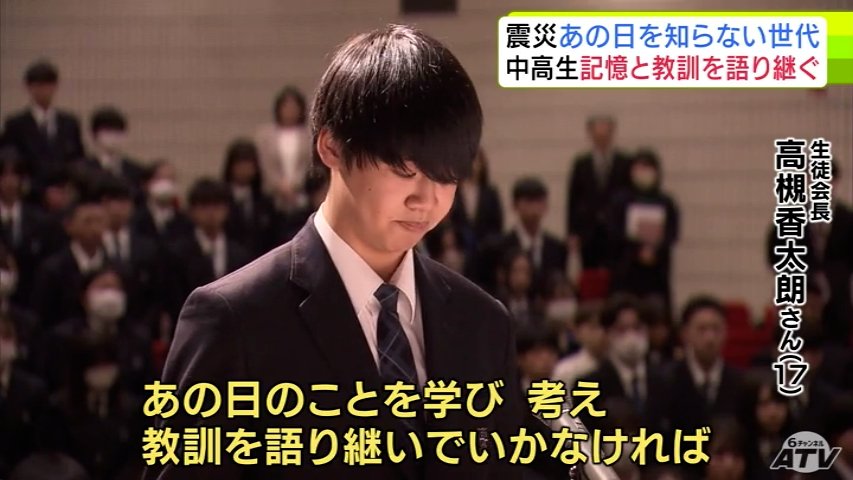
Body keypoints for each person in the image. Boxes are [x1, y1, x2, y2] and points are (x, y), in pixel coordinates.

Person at [145, 24, 566, 480]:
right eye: (405, 169)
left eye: (446, 176)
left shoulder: (482, 323)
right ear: (331, 147)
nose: (426, 199)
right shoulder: (235, 319)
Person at [0, 60, 85, 199]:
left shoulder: (69, 123)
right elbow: (10, 163)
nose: (44, 91)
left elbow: (78, 160)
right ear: (28, 88)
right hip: (30, 197)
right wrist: (40, 190)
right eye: (38, 85)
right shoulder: (15, 125)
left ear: (55, 87)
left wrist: (68, 188)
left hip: (65, 196)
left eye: (48, 85)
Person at [565, 115, 632, 270]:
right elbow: (573, 200)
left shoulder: (625, 162)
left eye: (605, 135)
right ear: (590, 135)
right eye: (598, 135)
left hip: (617, 232)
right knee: (590, 272)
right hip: (588, 232)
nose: (602, 139)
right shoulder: (581, 164)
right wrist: (572, 232)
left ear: (612, 134)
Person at [254, 86, 312, 212]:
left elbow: (308, 163)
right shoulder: (265, 136)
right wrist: (281, 186)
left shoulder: (309, 135)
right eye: (286, 106)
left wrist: (295, 185)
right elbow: (265, 165)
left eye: (294, 107)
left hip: (302, 195)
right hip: (272, 197)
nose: (289, 111)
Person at [221, 138, 278, 259]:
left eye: (249, 165)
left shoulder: (265, 202)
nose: (244, 169)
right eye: (240, 164)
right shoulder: (221, 200)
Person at [76, 106, 146, 203]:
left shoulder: (137, 171)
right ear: (94, 135)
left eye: (118, 132)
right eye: (108, 131)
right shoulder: (81, 170)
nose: (113, 137)